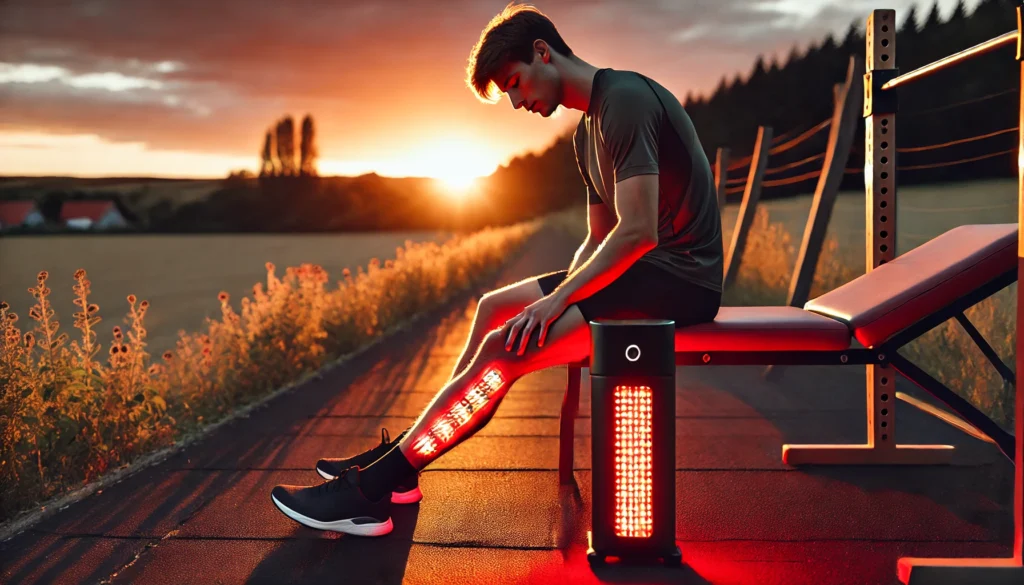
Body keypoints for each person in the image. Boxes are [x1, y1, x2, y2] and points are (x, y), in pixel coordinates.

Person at [270, 1, 723, 537]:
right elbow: (597, 240)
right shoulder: (585, 135)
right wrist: (559, 296)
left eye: (515, 83)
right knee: (495, 310)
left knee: (502, 351)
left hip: (681, 279)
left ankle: (374, 490)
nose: (517, 102)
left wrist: (559, 301)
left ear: (542, 53)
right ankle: (404, 454)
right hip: (644, 272)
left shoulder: (624, 100)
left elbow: (637, 231)